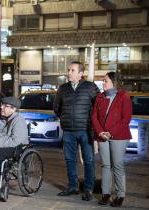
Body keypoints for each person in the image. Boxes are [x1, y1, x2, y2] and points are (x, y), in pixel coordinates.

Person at [53, 61, 99, 201]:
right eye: (68, 70)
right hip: (68, 131)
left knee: (89, 160)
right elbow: (57, 107)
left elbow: (97, 108)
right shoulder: (63, 88)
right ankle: (73, 186)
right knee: (69, 159)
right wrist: (66, 118)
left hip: (86, 130)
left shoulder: (91, 87)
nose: (69, 73)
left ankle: (88, 189)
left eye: (72, 70)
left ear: (80, 74)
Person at [91, 72, 132, 207]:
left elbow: (125, 119)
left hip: (119, 136)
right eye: (103, 81)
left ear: (114, 82)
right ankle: (106, 194)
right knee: (106, 166)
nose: (103, 83)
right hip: (102, 136)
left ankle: (120, 195)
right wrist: (100, 132)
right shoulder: (100, 97)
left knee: (117, 165)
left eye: (105, 81)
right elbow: (94, 117)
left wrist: (110, 132)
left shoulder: (123, 96)